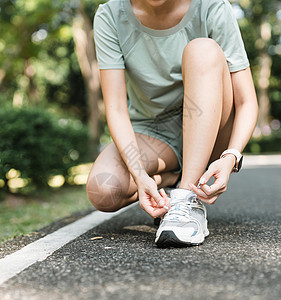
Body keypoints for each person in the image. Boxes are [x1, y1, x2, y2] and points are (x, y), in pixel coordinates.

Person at [86, 0, 258, 247]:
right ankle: (171, 181)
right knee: (103, 191)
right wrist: (139, 174)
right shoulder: (111, 15)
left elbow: (246, 102)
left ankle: (187, 198)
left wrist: (231, 156)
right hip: (154, 132)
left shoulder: (212, 7)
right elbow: (115, 108)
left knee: (203, 49)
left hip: (213, 124)